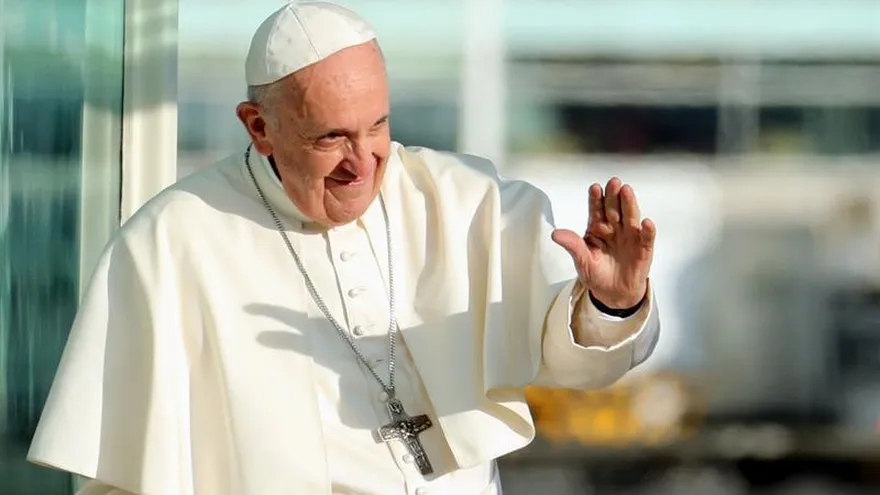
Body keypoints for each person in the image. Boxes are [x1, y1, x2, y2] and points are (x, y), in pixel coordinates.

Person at [27, 2, 661, 494]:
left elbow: (578, 364)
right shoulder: (171, 242)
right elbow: (126, 477)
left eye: (378, 126)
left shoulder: (463, 201)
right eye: (332, 137)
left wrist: (613, 303)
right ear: (259, 127)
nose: (364, 163)